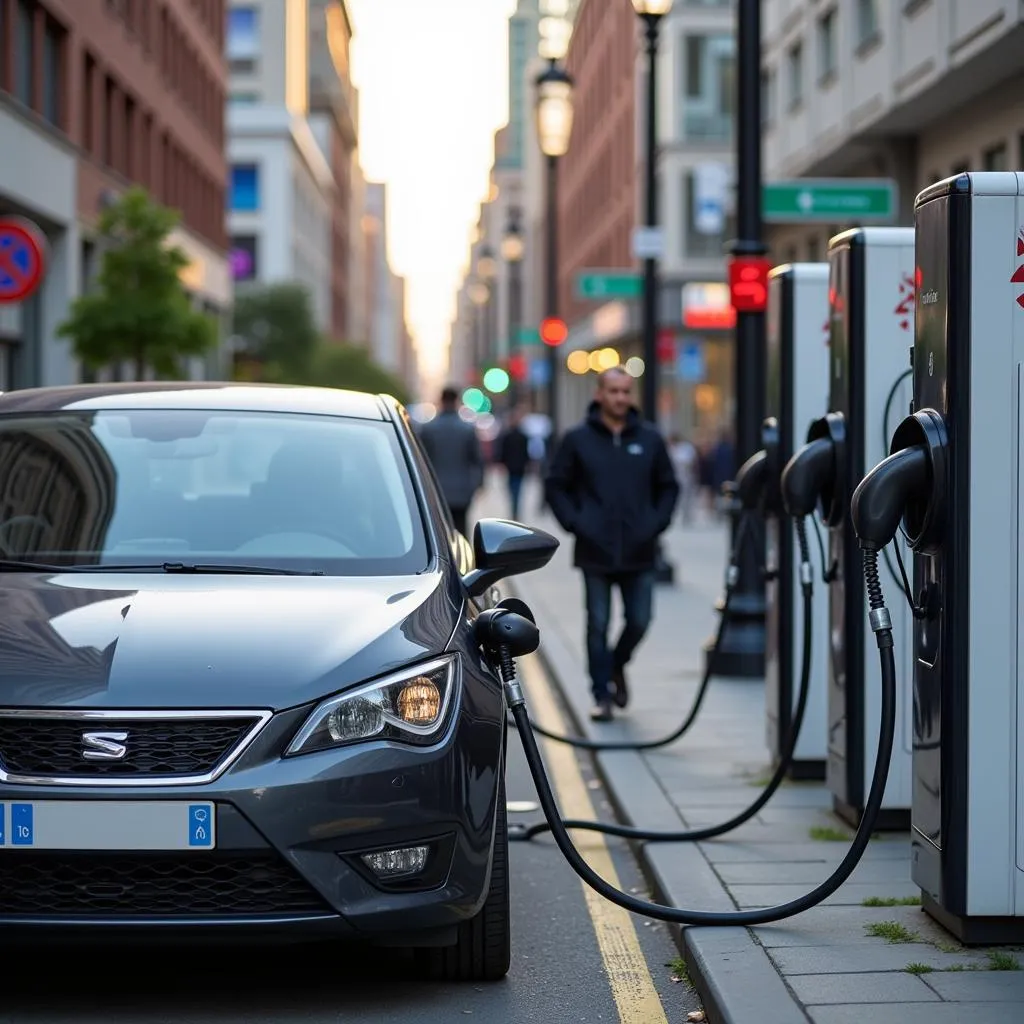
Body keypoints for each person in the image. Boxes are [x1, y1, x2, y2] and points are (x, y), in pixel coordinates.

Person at [545, 366, 680, 721]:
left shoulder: (649, 439)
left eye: (626, 391)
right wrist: (576, 523)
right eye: (614, 391)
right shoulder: (577, 439)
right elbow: (556, 484)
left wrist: (656, 523)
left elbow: (669, 486)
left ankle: (616, 665)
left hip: (640, 549)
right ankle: (601, 693)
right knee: (597, 625)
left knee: (640, 620)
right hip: (595, 550)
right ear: (599, 394)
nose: (621, 398)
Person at [417, 386, 483, 536]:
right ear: (456, 401)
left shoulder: (428, 429)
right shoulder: (467, 429)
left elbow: (421, 461)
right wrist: (478, 484)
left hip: (435, 490)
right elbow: (477, 460)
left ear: (441, 400)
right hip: (462, 490)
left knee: (439, 533)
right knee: (460, 530)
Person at [494, 406, 531, 521]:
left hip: (513, 468)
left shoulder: (508, 435)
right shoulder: (521, 436)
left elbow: (502, 452)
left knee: (514, 491)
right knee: (516, 492)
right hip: (517, 468)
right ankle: (515, 512)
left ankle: (514, 512)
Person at [668, 433, 698, 524]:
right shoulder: (671, 449)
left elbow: (689, 461)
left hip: (686, 475)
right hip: (676, 476)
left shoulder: (686, 448)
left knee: (687, 496)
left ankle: (687, 515)